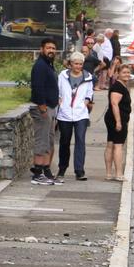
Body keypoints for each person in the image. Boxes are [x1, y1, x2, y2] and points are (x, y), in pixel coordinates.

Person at [56, 52, 95, 181]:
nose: (78, 66)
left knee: (80, 141)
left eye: (80, 64)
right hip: (65, 114)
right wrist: (59, 100)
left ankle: (79, 171)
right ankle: (62, 169)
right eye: (76, 63)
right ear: (71, 64)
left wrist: (87, 101)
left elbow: (90, 91)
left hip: (81, 114)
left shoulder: (88, 77)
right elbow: (58, 89)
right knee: (64, 142)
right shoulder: (62, 75)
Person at [29, 39, 61, 185]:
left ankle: (45, 170)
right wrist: (42, 106)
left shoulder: (48, 64)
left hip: (51, 107)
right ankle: (37, 173)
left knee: (49, 140)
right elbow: (37, 86)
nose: (51, 50)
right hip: (43, 108)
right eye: (48, 48)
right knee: (42, 140)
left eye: (53, 48)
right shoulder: (40, 66)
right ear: (42, 49)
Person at [105, 63, 134, 181]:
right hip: (116, 118)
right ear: (118, 74)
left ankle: (108, 174)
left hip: (113, 118)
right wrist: (118, 122)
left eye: (128, 72)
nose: (127, 75)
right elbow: (114, 104)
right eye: (124, 73)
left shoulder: (121, 85)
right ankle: (118, 174)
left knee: (111, 144)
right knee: (117, 145)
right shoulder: (118, 87)